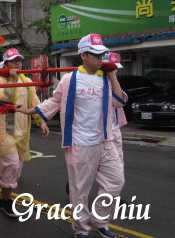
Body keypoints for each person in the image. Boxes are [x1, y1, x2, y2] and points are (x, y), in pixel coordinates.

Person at [17, 34, 127, 238]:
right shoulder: (70, 79)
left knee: (115, 182)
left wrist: (112, 75)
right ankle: (81, 228)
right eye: (95, 54)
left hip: (105, 140)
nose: (100, 58)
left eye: (101, 54)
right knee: (80, 190)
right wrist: (29, 111)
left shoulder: (106, 78)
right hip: (80, 143)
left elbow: (120, 102)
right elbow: (54, 102)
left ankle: (99, 220)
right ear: (83, 55)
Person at [0, 48, 49, 218]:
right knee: (13, 163)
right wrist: (13, 81)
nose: (17, 63)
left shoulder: (26, 81)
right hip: (3, 132)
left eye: (19, 60)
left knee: (15, 169)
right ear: (6, 63)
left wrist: (41, 121)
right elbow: (4, 99)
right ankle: (7, 202)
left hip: (22, 132)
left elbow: (35, 103)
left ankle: (1, 199)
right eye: (13, 60)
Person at [103, 52, 128, 165]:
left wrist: (113, 77)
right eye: (112, 68)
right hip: (99, 133)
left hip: (114, 129)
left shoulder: (113, 82)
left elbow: (119, 102)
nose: (114, 71)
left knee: (117, 164)